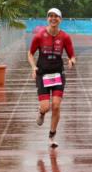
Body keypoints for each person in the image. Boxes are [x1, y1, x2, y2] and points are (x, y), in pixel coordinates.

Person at [28, 8, 76, 148]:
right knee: (46, 107)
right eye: (50, 16)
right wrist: (33, 67)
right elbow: (30, 54)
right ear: (47, 18)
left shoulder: (65, 37)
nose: (53, 19)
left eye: (56, 16)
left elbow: (72, 55)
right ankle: (41, 111)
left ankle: (52, 135)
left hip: (57, 74)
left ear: (60, 19)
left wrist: (71, 61)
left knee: (56, 105)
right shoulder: (39, 36)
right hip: (42, 74)